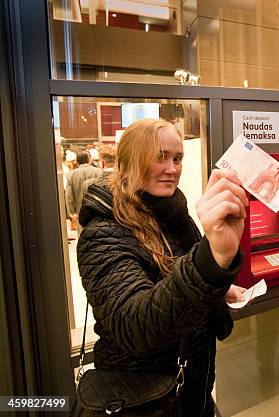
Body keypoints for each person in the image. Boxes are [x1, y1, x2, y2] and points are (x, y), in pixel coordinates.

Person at [77, 118, 247, 417]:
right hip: (143, 399)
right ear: (130, 162)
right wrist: (211, 263)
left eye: (177, 157)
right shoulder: (103, 231)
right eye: (160, 157)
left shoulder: (173, 214)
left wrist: (218, 286)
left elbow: (182, 278)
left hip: (192, 390)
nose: (172, 169)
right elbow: (136, 324)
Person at [65, 150, 102, 226]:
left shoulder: (71, 175)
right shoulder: (99, 172)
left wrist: (72, 213)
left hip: (80, 212)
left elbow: (69, 196)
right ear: (89, 159)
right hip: (97, 212)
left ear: (77, 161)